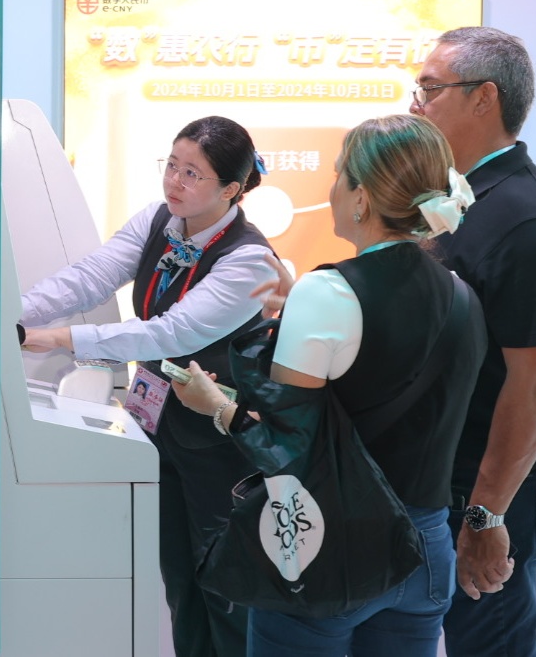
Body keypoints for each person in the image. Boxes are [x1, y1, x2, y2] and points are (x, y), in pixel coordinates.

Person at [172, 114, 486, 657]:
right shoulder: (462, 295)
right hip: (428, 549)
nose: (333, 186)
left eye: (340, 174)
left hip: (328, 546)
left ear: (361, 198)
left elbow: (287, 444)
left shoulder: (327, 293)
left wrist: (216, 405)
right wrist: (300, 312)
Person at [19, 116, 274, 657]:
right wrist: (13, 313)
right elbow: (91, 276)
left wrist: (60, 338)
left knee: (226, 587)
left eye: (192, 174)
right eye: (172, 165)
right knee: (179, 581)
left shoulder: (250, 259)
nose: (174, 181)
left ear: (231, 189)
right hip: (159, 428)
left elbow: (171, 332)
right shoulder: (160, 219)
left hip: (221, 440)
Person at [410, 26, 536, 657]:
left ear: (484, 97)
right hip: (446, 477)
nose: (415, 104)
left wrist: (487, 515)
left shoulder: (528, 220)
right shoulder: (460, 197)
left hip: (490, 491)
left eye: (430, 88)